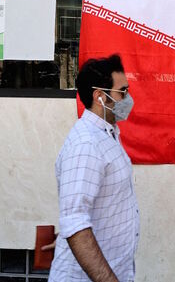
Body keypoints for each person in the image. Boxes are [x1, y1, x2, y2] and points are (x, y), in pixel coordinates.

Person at [48, 54, 139, 282]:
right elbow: (76, 222)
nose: (128, 99)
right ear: (100, 97)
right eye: (122, 92)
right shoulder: (86, 145)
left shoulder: (106, 134)